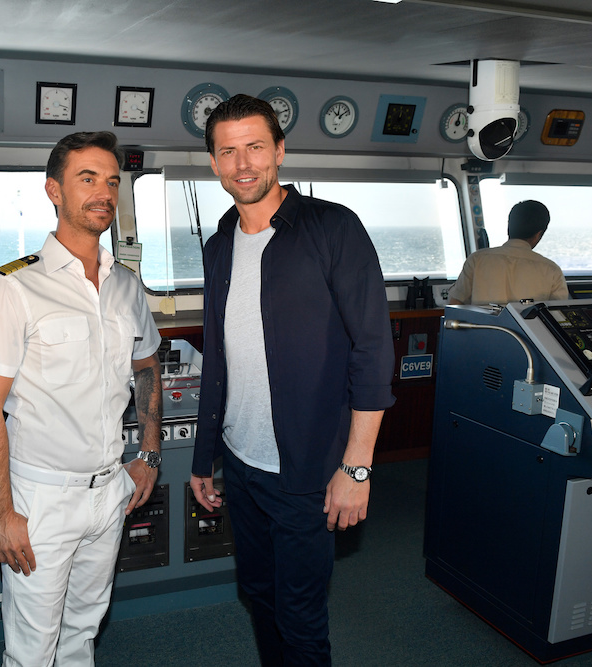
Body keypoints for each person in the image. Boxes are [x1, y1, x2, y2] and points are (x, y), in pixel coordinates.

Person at [189, 94, 396, 666]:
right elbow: (221, 360)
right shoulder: (219, 246)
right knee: (258, 595)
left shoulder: (333, 228)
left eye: (255, 146)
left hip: (308, 469)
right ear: (213, 162)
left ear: (280, 150)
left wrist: (356, 468)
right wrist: (204, 458)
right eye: (228, 152)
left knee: (301, 616)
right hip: (242, 464)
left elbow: (374, 352)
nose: (243, 164)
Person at [0, 131, 163, 666]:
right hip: (41, 500)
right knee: (33, 647)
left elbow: (146, 369)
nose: (103, 193)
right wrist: (1, 512)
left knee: (83, 629)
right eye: (87, 179)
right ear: (54, 191)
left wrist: (148, 455)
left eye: (112, 181)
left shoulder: (126, 285)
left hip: (109, 493)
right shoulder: (15, 288)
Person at [448, 200, 567, 305]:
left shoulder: (477, 259)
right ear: (538, 234)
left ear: (509, 227)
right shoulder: (552, 270)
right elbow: (558, 314)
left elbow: (455, 304)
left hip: (483, 330)